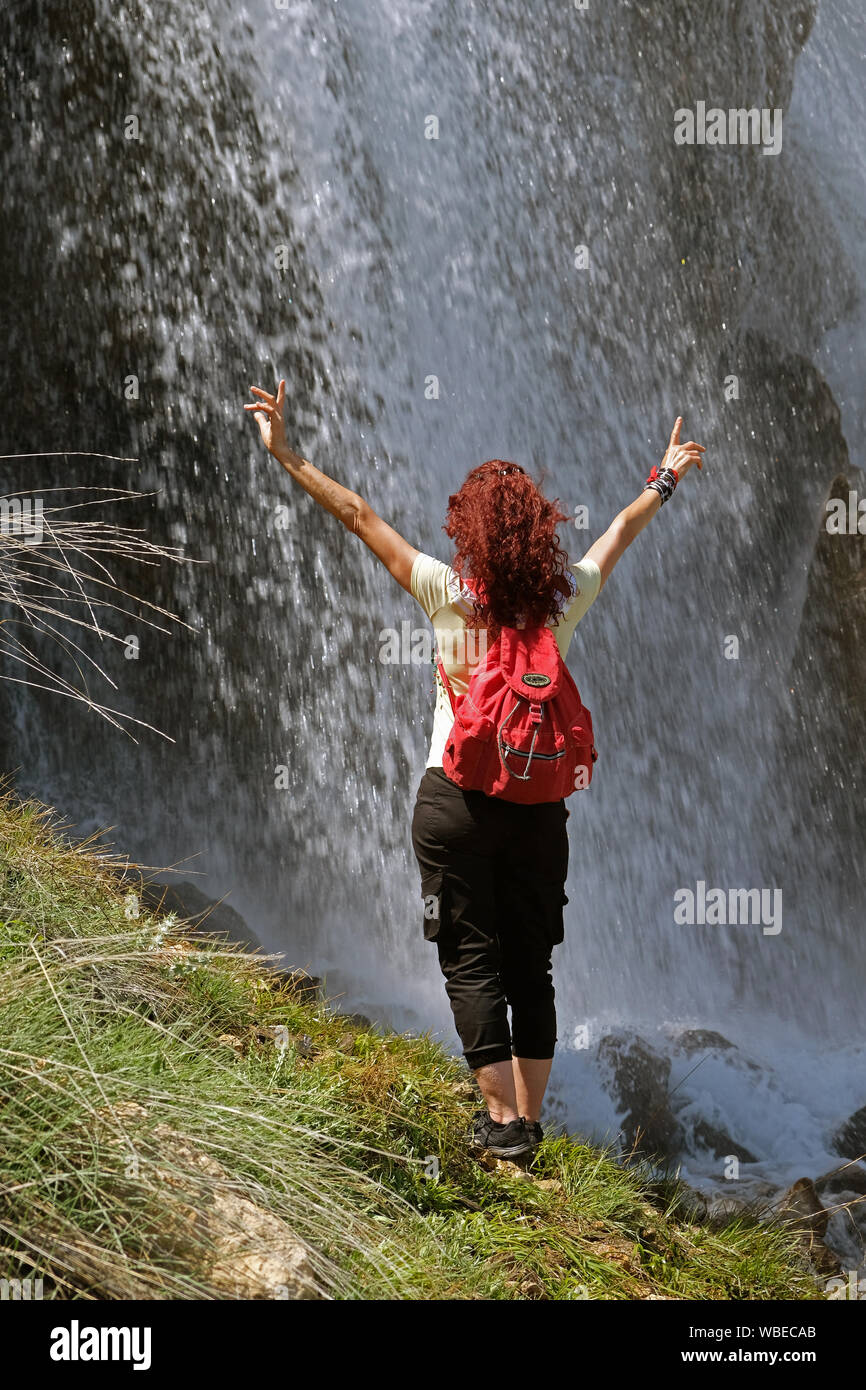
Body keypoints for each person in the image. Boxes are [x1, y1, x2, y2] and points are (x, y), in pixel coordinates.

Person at [245, 381, 705, 1159]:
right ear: (539, 533)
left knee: (471, 957)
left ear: (470, 533)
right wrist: (664, 477)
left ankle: (496, 1126)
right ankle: (529, 1124)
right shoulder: (564, 603)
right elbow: (620, 533)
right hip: (537, 806)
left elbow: (358, 514)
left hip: (454, 799)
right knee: (533, 965)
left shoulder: (447, 593)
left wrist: (285, 451)